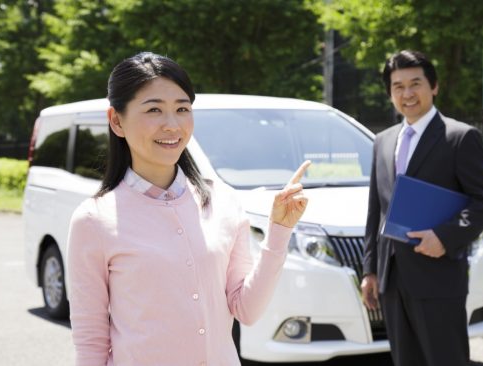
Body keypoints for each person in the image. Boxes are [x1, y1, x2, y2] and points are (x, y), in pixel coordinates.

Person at [67, 52, 311, 366]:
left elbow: (247, 309)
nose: (172, 125)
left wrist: (279, 231)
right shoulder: (93, 220)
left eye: (182, 109)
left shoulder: (222, 200)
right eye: (154, 109)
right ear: (116, 120)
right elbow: (90, 344)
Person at [361, 50, 483, 366]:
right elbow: (375, 211)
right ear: (390, 93)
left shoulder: (460, 137)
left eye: (415, 84)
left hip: (438, 279)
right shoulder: (383, 141)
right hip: (392, 281)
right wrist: (370, 270)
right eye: (398, 86)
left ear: (433, 86)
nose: (407, 94)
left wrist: (444, 237)